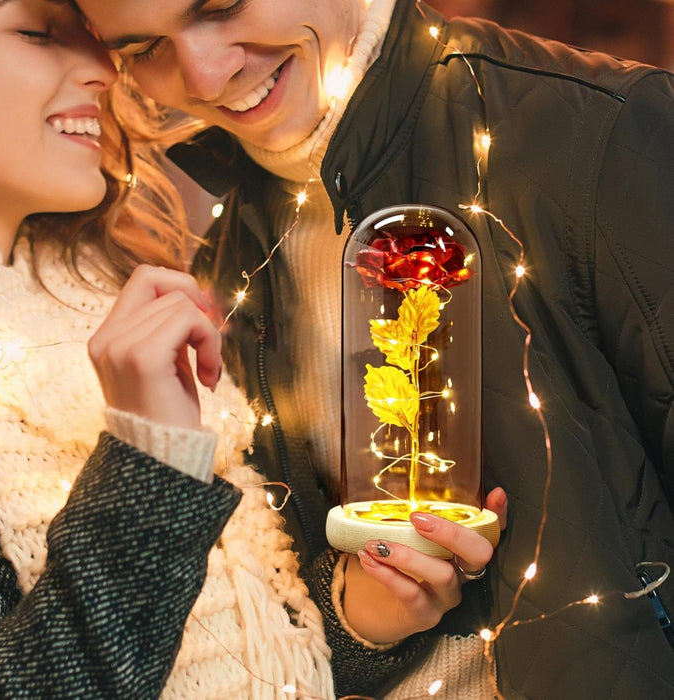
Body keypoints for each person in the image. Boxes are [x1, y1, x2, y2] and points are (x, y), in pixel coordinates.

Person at [74, 0, 674, 697]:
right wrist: (362, 618)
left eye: (223, 5)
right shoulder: (229, 256)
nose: (205, 77)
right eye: (145, 48)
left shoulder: (601, 134)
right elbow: (295, 624)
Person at [0, 1, 342, 698]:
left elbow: (258, 652)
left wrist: (362, 621)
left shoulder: (119, 293)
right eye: (35, 31)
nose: (102, 71)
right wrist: (150, 459)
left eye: (106, 44)